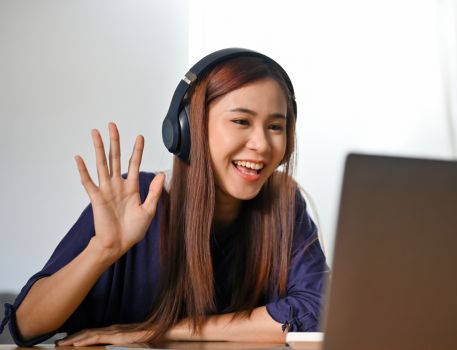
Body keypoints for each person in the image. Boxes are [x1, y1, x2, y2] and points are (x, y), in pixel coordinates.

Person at [0, 49, 328, 346]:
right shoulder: (137, 200)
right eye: (241, 121)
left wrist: (160, 329)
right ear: (186, 130)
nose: (261, 144)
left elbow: (314, 313)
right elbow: (25, 328)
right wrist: (103, 249)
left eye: (275, 127)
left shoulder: (284, 206)